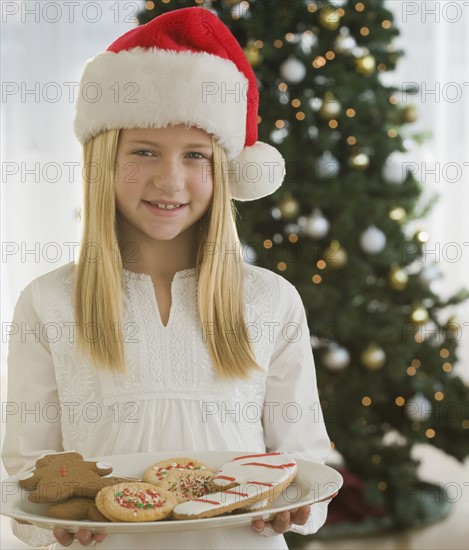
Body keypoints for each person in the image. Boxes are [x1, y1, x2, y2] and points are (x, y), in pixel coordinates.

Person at [1, 7, 332, 549]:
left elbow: (304, 459)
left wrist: (297, 511)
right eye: (145, 151)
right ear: (105, 160)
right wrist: (50, 523)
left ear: (226, 169)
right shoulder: (48, 303)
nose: (169, 179)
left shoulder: (271, 300)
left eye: (196, 155)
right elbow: (27, 472)